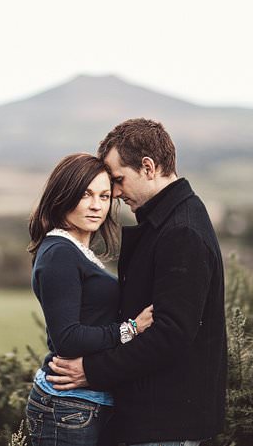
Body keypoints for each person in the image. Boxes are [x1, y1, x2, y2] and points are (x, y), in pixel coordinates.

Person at [47, 119, 227, 446]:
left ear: (148, 167)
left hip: (165, 422)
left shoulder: (181, 231)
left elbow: (170, 335)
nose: (114, 194)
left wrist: (92, 370)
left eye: (118, 180)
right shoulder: (169, 220)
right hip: (153, 417)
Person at [26, 153, 154, 446]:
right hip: (68, 405)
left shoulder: (75, 249)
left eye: (105, 196)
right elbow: (67, 339)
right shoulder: (59, 253)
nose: (97, 205)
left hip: (86, 401)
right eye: (86, 195)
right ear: (63, 196)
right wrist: (131, 328)